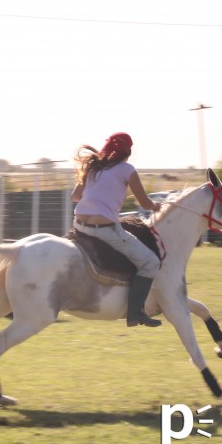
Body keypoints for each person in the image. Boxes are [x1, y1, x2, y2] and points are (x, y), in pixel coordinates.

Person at [71, 132, 162, 327]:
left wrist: (97, 190)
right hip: (104, 230)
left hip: (79, 227)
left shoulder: (93, 168)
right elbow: (144, 203)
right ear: (128, 152)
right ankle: (136, 312)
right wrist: (156, 206)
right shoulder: (128, 170)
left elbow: (75, 196)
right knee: (151, 262)